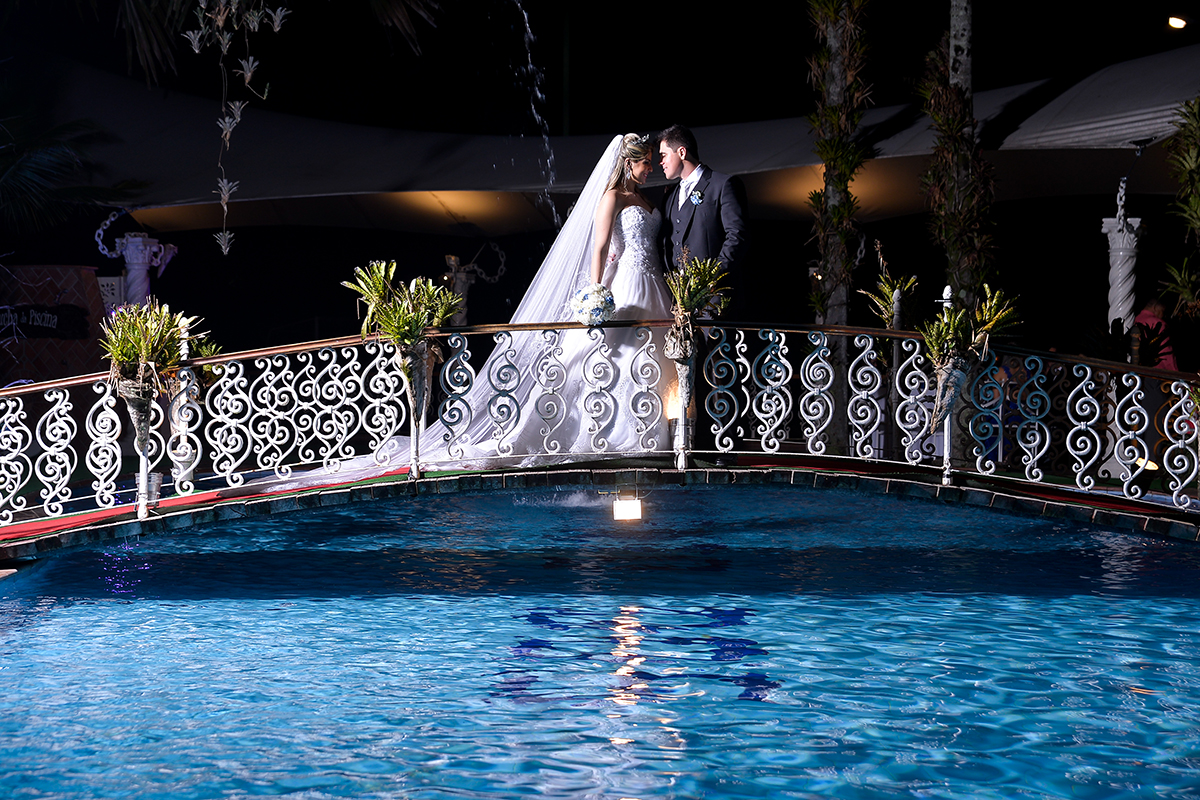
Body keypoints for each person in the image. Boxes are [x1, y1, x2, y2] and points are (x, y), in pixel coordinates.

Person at [418, 133, 676, 468]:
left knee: (652, 358)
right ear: (629, 163)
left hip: (653, 285)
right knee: (615, 357)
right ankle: (607, 434)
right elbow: (599, 248)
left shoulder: (645, 197)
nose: (650, 169)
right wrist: (596, 291)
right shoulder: (612, 197)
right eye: (645, 163)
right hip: (626, 284)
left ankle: (649, 433)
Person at [657, 124, 748, 309]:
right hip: (675, 303)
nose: (661, 162)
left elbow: (737, 236)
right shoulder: (669, 195)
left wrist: (711, 278)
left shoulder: (723, 185)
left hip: (712, 299)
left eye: (663, 155)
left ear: (681, 152)